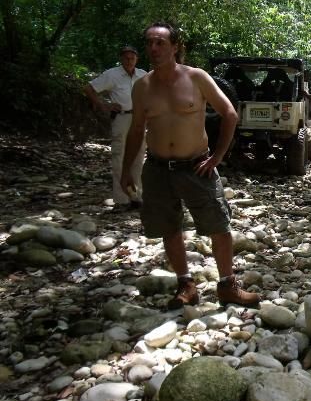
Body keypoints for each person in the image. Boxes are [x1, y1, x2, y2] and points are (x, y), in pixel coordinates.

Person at [120, 21, 259, 309]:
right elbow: (136, 131)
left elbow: (229, 114)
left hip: (197, 165)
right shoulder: (142, 86)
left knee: (219, 225)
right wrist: (126, 170)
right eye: (149, 42)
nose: (153, 48)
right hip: (157, 168)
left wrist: (218, 156)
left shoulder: (196, 77)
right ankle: (186, 285)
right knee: (169, 227)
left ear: (175, 47)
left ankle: (228, 286)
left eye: (160, 42)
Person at [84, 45, 147, 211]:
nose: (129, 61)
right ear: (121, 59)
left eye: (132, 58)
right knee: (119, 156)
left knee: (139, 156)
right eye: (126, 58)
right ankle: (122, 199)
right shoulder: (112, 74)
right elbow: (89, 89)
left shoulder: (143, 75)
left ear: (137, 59)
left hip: (139, 119)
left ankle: (137, 196)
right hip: (121, 118)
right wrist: (103, 105)